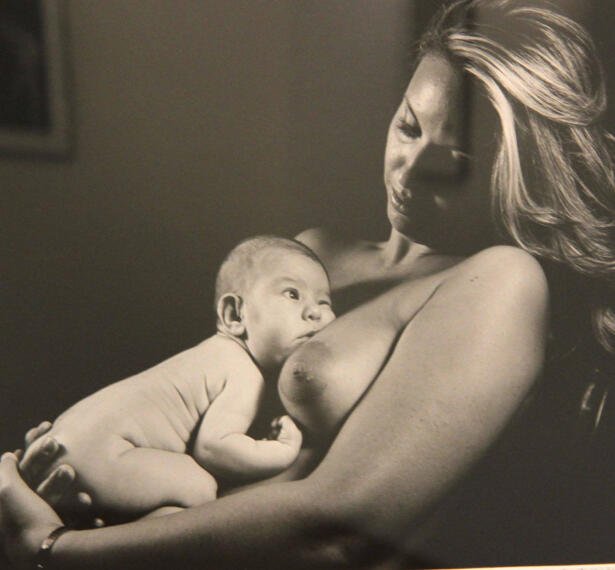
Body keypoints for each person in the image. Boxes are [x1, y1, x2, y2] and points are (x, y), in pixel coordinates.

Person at [2, 0, 615, 567]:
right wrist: (93, 468)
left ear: (519, 169)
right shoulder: (314, 252)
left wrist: (55, 549)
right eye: (408, 126)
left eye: (454, 162)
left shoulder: (502, 282)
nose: (410, 170)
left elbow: (342, 532)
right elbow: (197, 430)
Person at [20, 235, 336, 521]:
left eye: (324, 302)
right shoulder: (243, 372)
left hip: (63, 444)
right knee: (201, 488)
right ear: (234, 315)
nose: (315, 313)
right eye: (293, 294)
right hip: (106, 451)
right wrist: (283, 451)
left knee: (171, 505)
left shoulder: (211, 355)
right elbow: (214, 449)